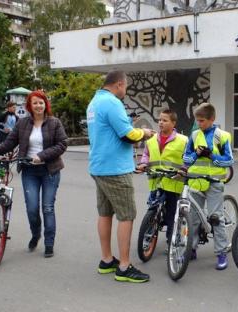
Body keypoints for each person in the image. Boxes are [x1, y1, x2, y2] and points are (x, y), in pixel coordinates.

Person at [0, 91, 68, 258]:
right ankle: (36, 234)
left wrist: (41, 156)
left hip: (50, 170)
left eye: (41, 102)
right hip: (29, 170)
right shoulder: (23, 123)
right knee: (32, 209)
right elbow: (8, 144)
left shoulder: (54, 123)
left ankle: (49, 243)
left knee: (47, 207)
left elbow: (62, 144)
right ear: (29, 106)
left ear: (46, 104)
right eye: (35, 103)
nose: (38, 105)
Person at [87, 70, 154, 283]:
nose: (125, 91)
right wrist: (145, 132)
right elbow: (128, 134)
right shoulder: (112, 103)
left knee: (105, 213)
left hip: (99, 166)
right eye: (125, 87)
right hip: (115, 168)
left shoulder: (94, 102)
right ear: (119, 84)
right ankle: (124, 266)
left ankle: (107, 260)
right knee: (126, 215)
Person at [183, 102, 234, 270]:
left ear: (212, 119)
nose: (199, 123)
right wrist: (196, 154)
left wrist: (212, 156)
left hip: (213, 183)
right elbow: (186, 159)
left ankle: (221, 253)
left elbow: (230, 160)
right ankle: (192, 248)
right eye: (197, 120)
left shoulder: (223, 136)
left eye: (202, 120)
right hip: (196, 181)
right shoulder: (195, 135)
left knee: (215, 218)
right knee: (193, 219)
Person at [136, 109, 188, 244]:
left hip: (173, 183)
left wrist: (184, 169)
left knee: (172, 214)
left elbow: (188, 159)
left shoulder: (183, 140)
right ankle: (149, 234)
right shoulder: (152, 139)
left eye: (165, 120)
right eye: (160, 120)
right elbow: (146, 154)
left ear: (173, 123)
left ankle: (171, 241)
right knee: (152, 210)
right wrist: (143, 164)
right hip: (156, 180)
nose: (160, 122)